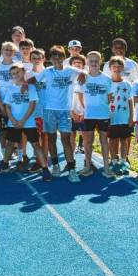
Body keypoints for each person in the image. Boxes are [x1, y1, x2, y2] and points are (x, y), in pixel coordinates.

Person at [28, 45, 82, 183]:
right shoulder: (47, 72)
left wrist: (83, 76)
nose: (57, 60)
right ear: (50, 59)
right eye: (54, 57)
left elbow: (85, 73)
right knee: (51, 139)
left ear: (64, 58)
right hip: (49, 110)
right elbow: (33, 80)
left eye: (60, 57)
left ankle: (71, 169)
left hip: (65, 111)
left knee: (66, 140)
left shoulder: (70, 71)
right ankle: (56, 165)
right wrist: (28, 84)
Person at [0, 63, 52, 181]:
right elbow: (7, 106)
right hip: (13, 122)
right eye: (13, 74)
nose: (16, 75)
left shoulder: (31, 88)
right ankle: (5, 163)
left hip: (28, 122)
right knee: (9, 144)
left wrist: (23, 120)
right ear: (11, 76)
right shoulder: (10, 88)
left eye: (18, 72)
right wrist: (13, 120)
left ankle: (45, 169)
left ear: (23, 72)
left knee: (35, 144)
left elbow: (32, 105)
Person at [77, 51, 113, 178]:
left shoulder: (107, 79)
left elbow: (109, 97)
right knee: (88, 142)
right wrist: (86, 109)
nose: (94, 63)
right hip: (88, 115)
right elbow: (80, 96)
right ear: (87, 62)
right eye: (91, 61)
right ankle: (87, 167)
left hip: (103, 115)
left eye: (96, 61)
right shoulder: (83, 78)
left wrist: (101, 107)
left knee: (104, 141)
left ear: (100, 61)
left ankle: (107, 168)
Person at [0, 42, 19, 157]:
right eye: (6, 49)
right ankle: (4, 154)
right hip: (2, 105)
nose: (8, 52)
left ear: (14, 53)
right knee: (3, 131)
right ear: (2, 51)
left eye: (10, 50)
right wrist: (1, 106)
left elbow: (21, 84)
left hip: (16, 105)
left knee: (16, 131)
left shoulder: (18, 66)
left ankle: (18, 154)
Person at [107, 56, 134, 176]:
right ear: (110, 68)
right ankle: (113, 161)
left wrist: (131, 117)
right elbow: (104, 100)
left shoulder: (127, 84)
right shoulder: (107, 83)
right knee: (112, 140)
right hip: (111, 117)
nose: (116, 69)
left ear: (123, 68)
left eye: (119, 66)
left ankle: (123, 161)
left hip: (124, 117)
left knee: (124, 140)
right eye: (114, 66)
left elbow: (130, 101)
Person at [27, 48, 48, 172]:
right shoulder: (27, 74)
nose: (36, 60)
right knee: (36, 137)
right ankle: (37, 160)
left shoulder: (49, 73)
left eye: (39, 58)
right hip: (33, 110)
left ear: (44, 59)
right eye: (33, 58)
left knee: (46, 136)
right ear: (30, 60)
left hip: (47, 109)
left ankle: (43, 160)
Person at [70, 55, 86, 155]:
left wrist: (84, 112)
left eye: (79, 63)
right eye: (74, 63)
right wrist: (71, 112)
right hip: (71, 112)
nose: (77, 65)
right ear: (71, 65)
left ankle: (87, 161)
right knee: (71, 136)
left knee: (86, 138)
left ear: (83, 65)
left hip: (84, 113)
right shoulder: (68, 78)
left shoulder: (88, 78)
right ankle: (71, 160)